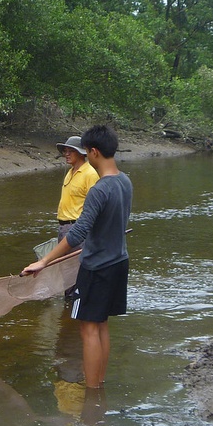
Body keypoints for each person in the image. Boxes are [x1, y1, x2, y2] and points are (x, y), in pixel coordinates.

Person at [22, 125, 132, 389]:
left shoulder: (99, 189)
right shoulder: (125, 181)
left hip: (97, 266)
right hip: (119, 261)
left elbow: (78, 232)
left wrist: (44, 261)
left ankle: (93, 392)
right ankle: (99, 383)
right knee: (101, 325)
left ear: (93, 152)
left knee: (88, 329)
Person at [55, 135, 99, 245]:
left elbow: (96, 205)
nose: (67, 154)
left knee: (77, 261)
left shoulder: (90, 174)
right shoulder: (70, 172)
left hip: (78, 228)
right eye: (65, 151)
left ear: (81, 153)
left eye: (71, 151)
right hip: (64, 227)